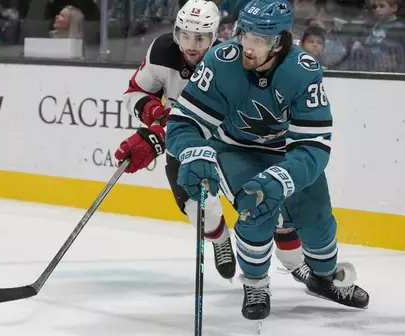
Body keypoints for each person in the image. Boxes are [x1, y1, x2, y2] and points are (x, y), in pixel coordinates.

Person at [165, 0, 370, 321]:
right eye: (245, 34)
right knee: (255, 211)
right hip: (236, 150)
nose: (248, 46)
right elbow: (184, 122)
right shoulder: (221, 61)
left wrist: (281, 178)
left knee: (317, 222)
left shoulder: (303, 72)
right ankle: (256, 284)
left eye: (259, 40)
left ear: (280, 40)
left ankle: (325, 277)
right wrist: (194, 150)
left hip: (291, 155)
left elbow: (314, 145)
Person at [115, 0, 307, 283]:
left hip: (234, 145)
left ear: (216, 36)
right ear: (176, 32)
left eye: (202, 37)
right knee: (197, 207)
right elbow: (135, 91)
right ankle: (219, 240)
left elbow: (231, 118)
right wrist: (155, 112)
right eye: (185, 36)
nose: (192, 46)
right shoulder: (161, 51)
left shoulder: (234, 61)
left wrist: (161, 133)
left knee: (269, 206)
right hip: (187, 146)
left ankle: (298, 265)